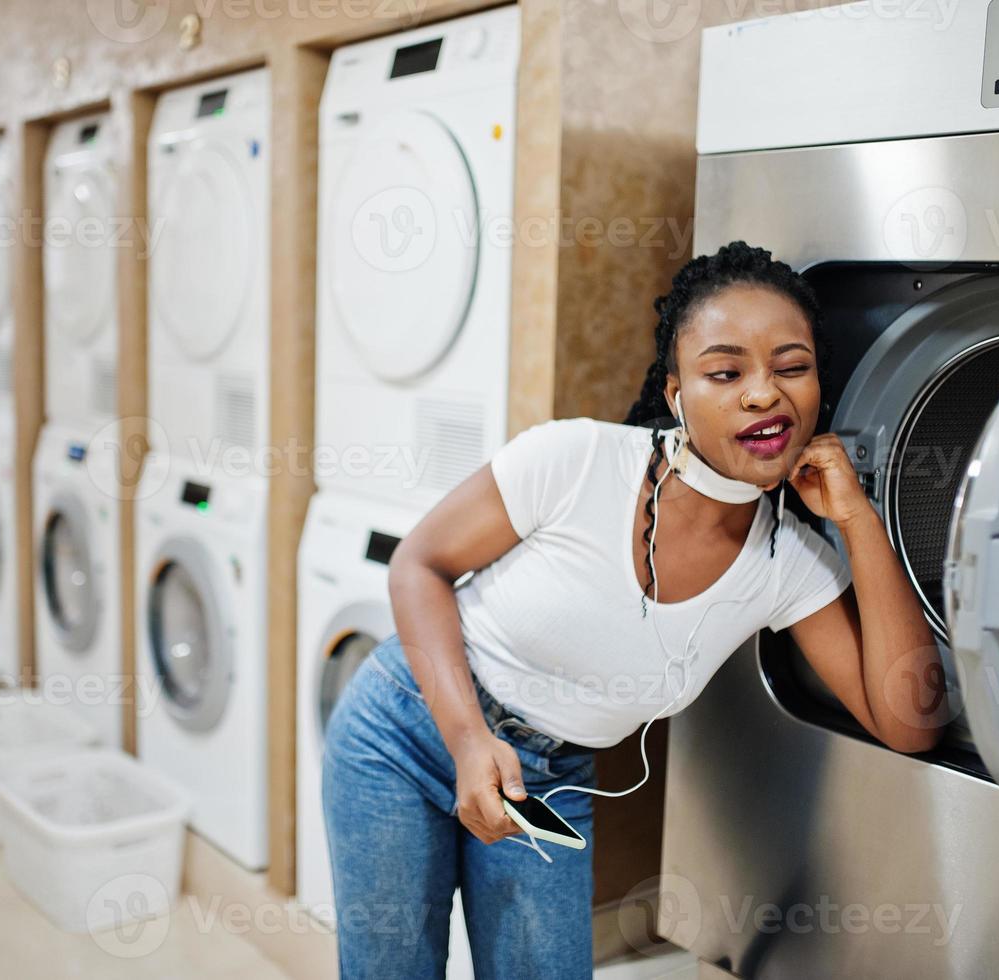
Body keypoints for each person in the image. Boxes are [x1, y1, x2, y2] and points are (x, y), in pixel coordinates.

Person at [321, 242, 946, 979]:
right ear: (677, 394)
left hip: (546, 783)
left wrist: (858, 521)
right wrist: (464, 740)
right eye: (725, 372)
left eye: (791, 367)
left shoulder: (789, 566)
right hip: (405, 729)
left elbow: (908, 722)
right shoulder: (574, 459)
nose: (762, 394)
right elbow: (417, 565)